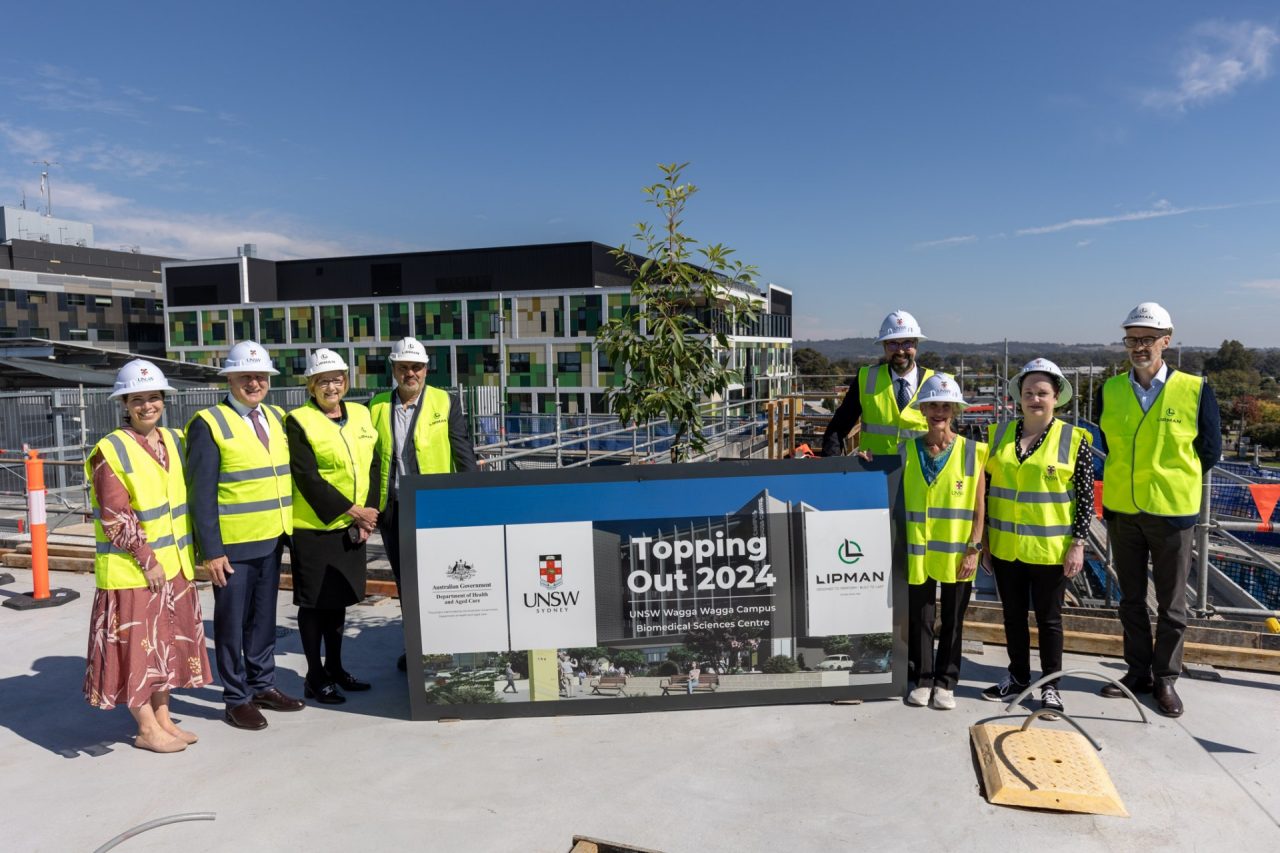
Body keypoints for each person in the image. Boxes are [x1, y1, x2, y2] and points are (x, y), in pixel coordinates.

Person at [1096, 303, 1221, 718]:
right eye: (1132, 339)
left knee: (1171, 605)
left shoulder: (1194, 389)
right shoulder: (1110, 390)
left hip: (1172, 514)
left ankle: (1165, 678)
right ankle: (1137, 672)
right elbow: (1112, 446)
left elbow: (1209, 451)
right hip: (1123, 512)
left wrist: (1172, 482)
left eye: (1147, 339)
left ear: (1166, 340)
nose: (1139, 346)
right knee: (1130, 599)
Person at [83, 360, 212, 752]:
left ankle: (163, 718)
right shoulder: (112, 449)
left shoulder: (173, 439)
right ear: (124, 403)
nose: (147, 406)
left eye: (153, 397)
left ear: (164, 400)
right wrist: (147, 558)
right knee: (138, 649)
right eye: (137, 399)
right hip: (134, 571)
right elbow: (115, 516)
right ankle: (145, 728)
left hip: (175, 565)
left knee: (166, 646)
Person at [187, 341, 302, 730]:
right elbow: (200, 493)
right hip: (233, 547)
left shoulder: (275, 415)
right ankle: (236, 698)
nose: (254, 383)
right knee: (231, 624)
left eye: (261, 376)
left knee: (263, 620)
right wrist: (212, 550)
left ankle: (263, 684)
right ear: (230, 379)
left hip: (272, 537)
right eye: (246, 376)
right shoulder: (209, 423)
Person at [981, 359, 1094, 718]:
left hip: (1050, 550)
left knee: (1049, 620)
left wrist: (1078, 543)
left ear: (1056, 397)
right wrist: (982, 542)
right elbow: (983, 493)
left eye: (1042, 392)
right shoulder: (997, 435)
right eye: (1028, 392)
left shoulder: (1074, 440)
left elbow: (1087, 498)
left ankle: (1050, 686)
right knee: (1013, 617)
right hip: (1005, 547)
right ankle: (1016, 676)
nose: (1034, 399)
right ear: (1019, 396)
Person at [369, 337, 477, 670]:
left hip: (434, 507)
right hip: (393, 508)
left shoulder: (445, 402)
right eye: (403, 367)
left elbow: (462, 453)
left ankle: (444, 647)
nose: (410, 373)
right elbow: (368, 459)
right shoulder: (376, 406)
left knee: (439, 579)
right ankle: (417, 648)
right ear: (394, 369)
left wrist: (475, 499)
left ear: (425, 369)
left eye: (416, 367)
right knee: (405, 581)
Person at [286, 349, 380, 706]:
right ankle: (315, 676)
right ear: (311, 385)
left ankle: (336, 668)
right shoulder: (299, 421)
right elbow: (307, 478)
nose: (331, 386)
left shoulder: (360, 413)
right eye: (323, 380)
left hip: (354, 525)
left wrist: (369, 512)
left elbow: (373, 463)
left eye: (337, 379)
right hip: (315, 528)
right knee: (315, 604)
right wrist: (354, 510)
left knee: (338, 601)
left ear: (346, 381)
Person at [900, 374, 987, 711]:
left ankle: (946, 682)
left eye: (945, 405)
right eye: (933, 404)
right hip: (918, 551)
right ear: (923, 410)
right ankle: (922, 678)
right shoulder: (906, 450)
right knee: (920, 616)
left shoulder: (972, 452)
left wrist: (974, 548)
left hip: (958, 552)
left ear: (955, 410)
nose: (939, 411)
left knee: (952, 618)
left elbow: (980, 507)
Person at [821, 310, 936, 457]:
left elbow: (952, 439)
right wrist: (833, 469)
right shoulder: (866, 379)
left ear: (916, 344)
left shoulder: (935, 383)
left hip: (921, 475)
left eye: (907, 343)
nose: (900, 351)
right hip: (875, 473)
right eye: (893, 344)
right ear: (884, 346)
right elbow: (836, 429)